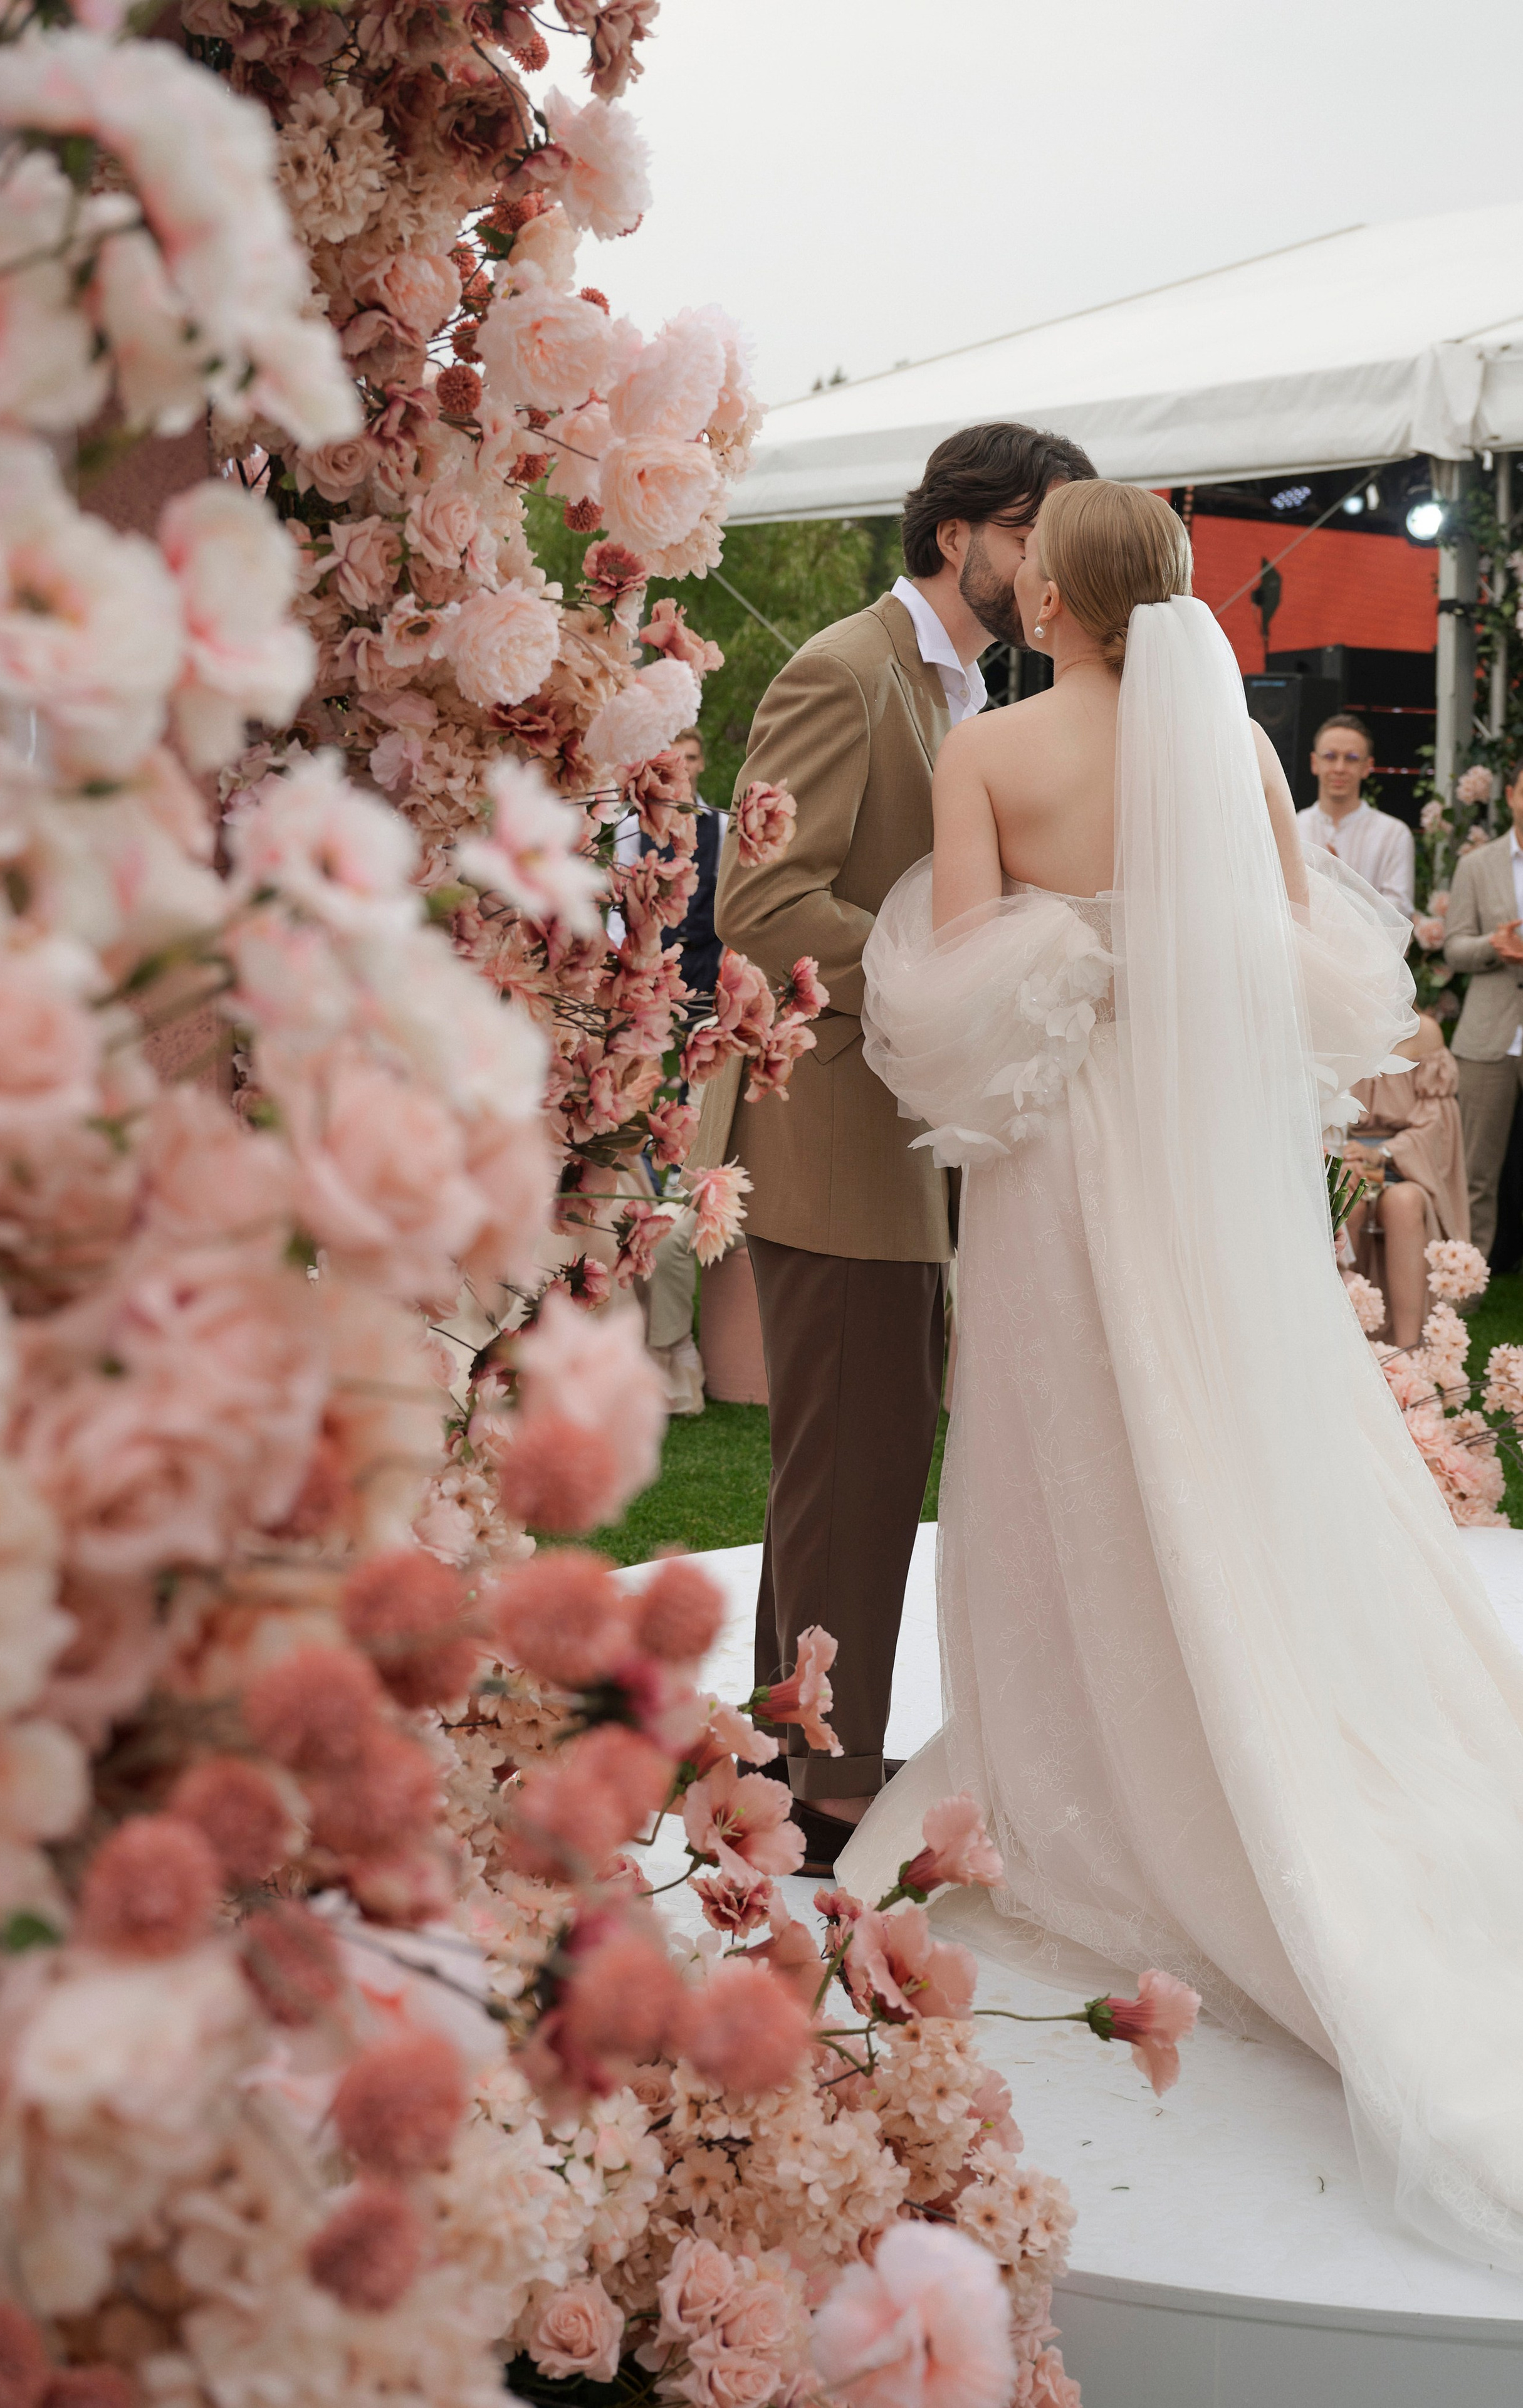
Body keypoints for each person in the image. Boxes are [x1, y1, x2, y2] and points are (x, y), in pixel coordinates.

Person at [846, 478, 1523, 2274]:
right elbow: (1303, 963)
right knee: (1225, 1423)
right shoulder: (1232, 750)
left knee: (1062, 1442)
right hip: (1200, 1158)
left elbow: (958, 992)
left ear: (1049, 598)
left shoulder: (993, 757)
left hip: (1067, 1160)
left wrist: (1072, 962)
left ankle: (1074, 1756)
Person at [703, 422, 1098, 1871]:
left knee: (849, 1466)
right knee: (853, 1470)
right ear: (959, 537)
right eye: (1031, 538)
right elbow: (759, 901)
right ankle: (821, 1794)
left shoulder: (965, 689)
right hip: (832, 1145)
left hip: (907, 1143)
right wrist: (946, 961)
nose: (1045, 569)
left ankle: (775, 1752)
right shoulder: (842, 670)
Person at [644, 730, 725, 1415]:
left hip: (704, 1024)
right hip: (638, 1026)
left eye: (690, 761)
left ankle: (672, 1354)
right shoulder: (625, 840)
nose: (681, 772)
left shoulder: (722, 834)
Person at [1338, 1012, 1468, 1347]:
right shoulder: (1334, 1025)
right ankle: (1348, 1345)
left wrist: (1381, 1153)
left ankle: (1408, 1352)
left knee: (1403, 1203)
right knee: (1344, 1200)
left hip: (1407, 1162)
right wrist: (1341, 1157)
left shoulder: (1424, 1031)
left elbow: (1437, 1123)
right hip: (1347, 1156)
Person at [1443, 764, 1523, 1260]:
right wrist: (1494, 946)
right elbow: (1453, 948)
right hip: (1488, 1036)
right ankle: (1462, 1287)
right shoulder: (1477, 865)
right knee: (1475, 1171)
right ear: (1511, 794)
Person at [1294, 713, 1415, 917]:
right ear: (1315, 763)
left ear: (1367, 766)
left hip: (1367, 949)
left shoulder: (1393, 833)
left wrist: (1346, 887)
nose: (1340, 768)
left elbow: (1400, 914)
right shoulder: (1294, 826)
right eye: (1331, 757)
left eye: (1351, 758)